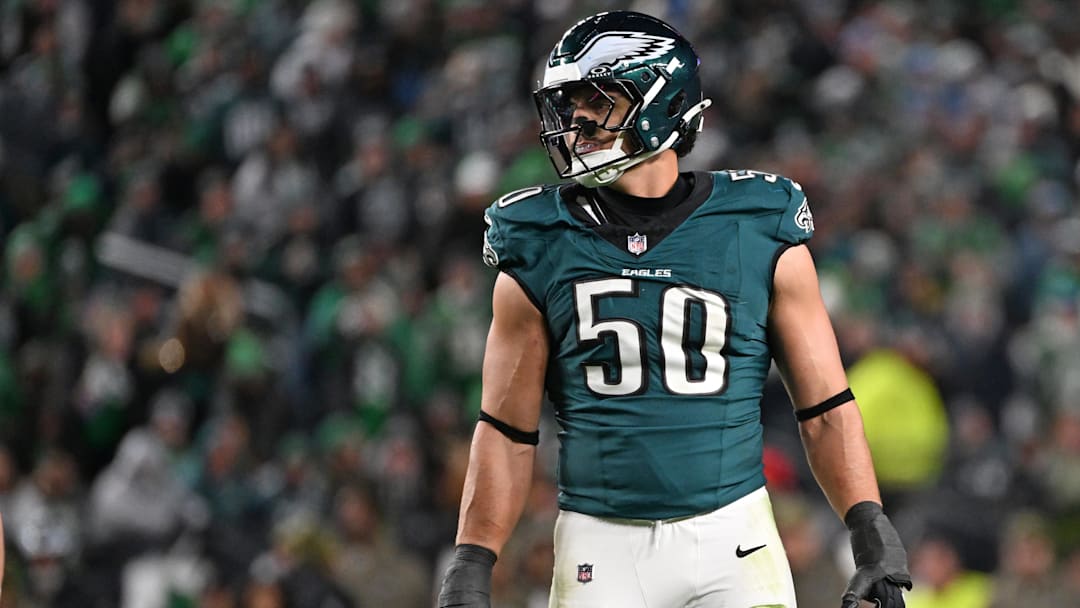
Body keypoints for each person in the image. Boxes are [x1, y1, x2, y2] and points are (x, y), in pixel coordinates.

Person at [437, 10, 911, 608]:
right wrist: (473, 560)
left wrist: (871, 529)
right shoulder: (538, 238)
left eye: (598, 100)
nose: (577, 119)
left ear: (661, 104)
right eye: (572, 103)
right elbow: (505, 431)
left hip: (734, 537)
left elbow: (823, 406)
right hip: (599, 543)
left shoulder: (756, 224)